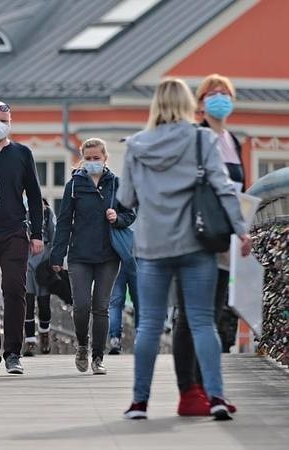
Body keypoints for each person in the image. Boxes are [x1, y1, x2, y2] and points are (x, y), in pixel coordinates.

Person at [118, 78, 252, 420]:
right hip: (196, 243)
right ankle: (216, 397)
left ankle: (139, 403)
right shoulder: (202, 139)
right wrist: (241, 230)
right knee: (203, 322)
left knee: (149, 324)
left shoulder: (135, 145)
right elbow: (223, 189)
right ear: (189, 103)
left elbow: (126, 199)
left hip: (152, 246)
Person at [173, 73, 246, 415]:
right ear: (200, 104)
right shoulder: (196, 136)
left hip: (223, 239)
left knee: (213, 316)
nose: (220, 99)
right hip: (195, 235)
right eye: (213, 94)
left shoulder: (233, 140)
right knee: (191, 316)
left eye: (226, 94)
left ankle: (209, 388)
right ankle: (189, 390)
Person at [50, 138, 135, 375]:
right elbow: (64, 221)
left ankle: (98, 356)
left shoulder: (117, 184)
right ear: (82, 159)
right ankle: (82, 346)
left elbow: (131, 215)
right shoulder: (74, 185)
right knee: (81, 306)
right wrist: (57, 255)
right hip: (80, 255)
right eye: (88, 159)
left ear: (105, 158)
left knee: (101, 307)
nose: (92, 162)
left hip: (109, 255)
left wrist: (116, 218)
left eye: (97, 158)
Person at [0, 100, 45, 376]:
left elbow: (35, 197)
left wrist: (37, 233)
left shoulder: (22, 153)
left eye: (4, 119)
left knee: (15, 290)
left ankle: (13, 353)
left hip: (15, 230)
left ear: (11, 122)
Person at [23, 198, 56, 356]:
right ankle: (29, 341)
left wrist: (55, 260)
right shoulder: (20, 211)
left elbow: (54, 235)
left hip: (44, 260)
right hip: (26, 260)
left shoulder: (47, 213)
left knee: (44, 303)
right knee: (27, 303)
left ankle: (44, 335)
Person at [107, 234, 139, 355]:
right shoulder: (139, 215)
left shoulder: (113, 215)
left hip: (117, 256)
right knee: (139, 302)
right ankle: (140, 338)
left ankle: (115, 340)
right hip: (136, 256)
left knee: (115, 302)